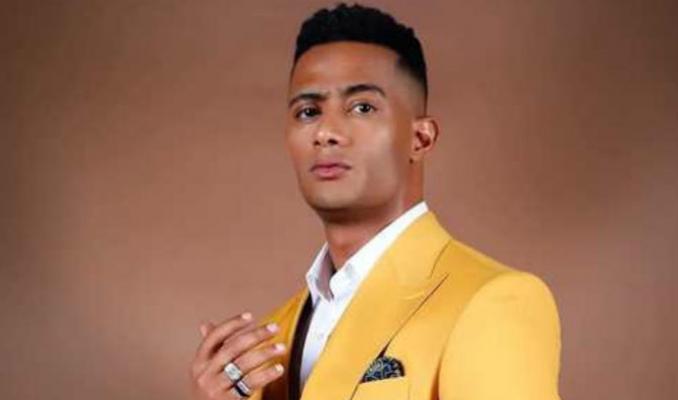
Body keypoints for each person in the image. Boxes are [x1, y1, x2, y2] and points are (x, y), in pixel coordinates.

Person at [189, 3, 562, 400]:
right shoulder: (267, 343)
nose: (326, 132)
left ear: (420, 139)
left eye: (362, 107)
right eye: (309, 111)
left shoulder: (493, 301)